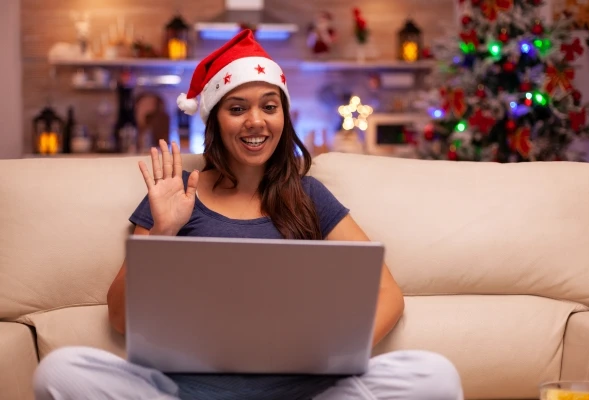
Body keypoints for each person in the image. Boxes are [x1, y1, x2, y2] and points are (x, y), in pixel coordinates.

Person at [32, 29, 464, 400]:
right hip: (183, 391)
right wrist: (162, 230)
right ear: (215, 120)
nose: (255, 122)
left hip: (303, 390)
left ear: (283, 116)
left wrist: (330, 357)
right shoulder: (175, 194)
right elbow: (121, 319)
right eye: (237, 108)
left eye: (269, 107)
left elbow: (388, 293)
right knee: (60, 370)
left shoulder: (308, 195)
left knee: (434, 376)